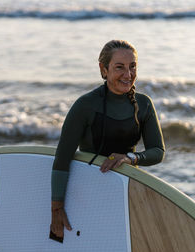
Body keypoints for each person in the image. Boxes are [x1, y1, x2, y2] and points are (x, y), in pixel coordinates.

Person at [50, 40, 165, 241]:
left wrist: (131, 158)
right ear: (104, 70)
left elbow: (157, 151)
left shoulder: (144, 105)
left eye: (132, 67)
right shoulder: (85, 105)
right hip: (88, 191)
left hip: (126, 191)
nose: (128, 75)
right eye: (119, 67)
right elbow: (62, 158)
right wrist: (56, 209)